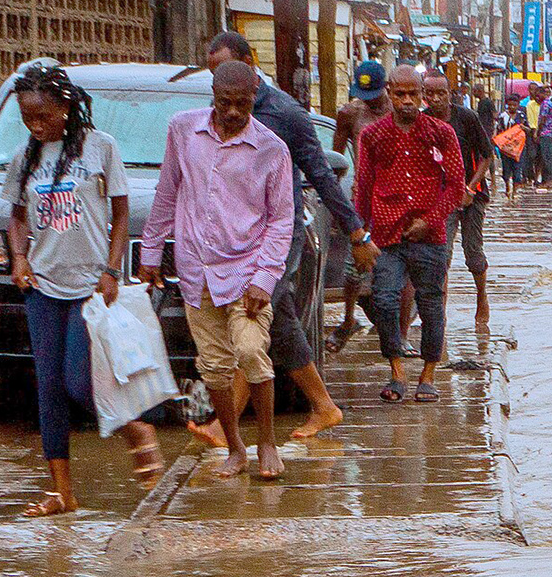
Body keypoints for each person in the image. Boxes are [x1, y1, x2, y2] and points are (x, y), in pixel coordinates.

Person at [193, 32, 381, 445]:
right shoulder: (211, 115)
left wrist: (356, 230)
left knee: (259, 311)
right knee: (277, 323)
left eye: (229, 77)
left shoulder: (284, 114)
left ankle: (227, 426)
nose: (226, 105)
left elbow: (321, 173)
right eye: (216, 85)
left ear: (248, 65)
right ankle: (324, 406)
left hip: (279, 234)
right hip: (232, 238)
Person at [1, 64, 163, 517]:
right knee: (48, 388)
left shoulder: (101, 148)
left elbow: (121, 212)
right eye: (27, 117)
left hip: (90, 286)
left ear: (66, 107)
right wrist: (19, 257)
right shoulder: (25, 156)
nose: (36, 125)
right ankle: (62, 492)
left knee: (78, 381)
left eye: (44, 116)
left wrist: (112, 269)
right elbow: (15, 216)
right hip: (43, 288)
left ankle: (136, 429)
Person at [141, 61, 292, 481]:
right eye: (224, 102)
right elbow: (167, 191)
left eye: (241, 104)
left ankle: (266, 442)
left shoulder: (271, 148)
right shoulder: (183, 130)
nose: (232, 112)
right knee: (214, 366)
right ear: (212, 95)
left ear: (254, 99)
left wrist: (265, 277)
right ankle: (235, 446)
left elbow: (281, 221)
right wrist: (151, 250)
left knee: (250, 351)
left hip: (247, 273)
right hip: (196, 269)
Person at [354, 66, 463, 403]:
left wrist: (431, 220)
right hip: (387, 235)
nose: (407, 101)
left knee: (431, 304)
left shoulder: (441, 133)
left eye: (413, 94)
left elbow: (456, 185)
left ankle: (428, 375)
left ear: (422, 95)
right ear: (389, 92)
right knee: (384, 300)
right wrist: (360, 233)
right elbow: (364, 186)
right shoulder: (372, 136)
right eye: (399, 94)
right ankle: (397, 371)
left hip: (429, 237)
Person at [329, 60, 394, 353]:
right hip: (363, 198)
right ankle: (348, 319)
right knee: (353, 267)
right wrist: (335, 203)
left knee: (393, 263)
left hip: (395, 198)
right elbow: (335, 159)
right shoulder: (349, 114)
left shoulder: (399, 110)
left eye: (375, 96)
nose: (369, 102)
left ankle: (395, 330)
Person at [425, 71, 494, 327]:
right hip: (442, 197)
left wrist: (470, 187)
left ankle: (481, 296)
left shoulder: (467, 117)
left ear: (450, 93)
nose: (435, 99)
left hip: (471, 195)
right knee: (442, 254)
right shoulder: (423, 122)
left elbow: (487, 155)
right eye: (429, 93)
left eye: (440, 93)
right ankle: (439, 313)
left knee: (473, 252)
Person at [538, 83, 552, 187]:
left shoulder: (546, 104)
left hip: (546, 134)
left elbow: (542, 119)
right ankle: (547, 180)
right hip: (549, 133)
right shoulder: (548, 103)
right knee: (547, 157)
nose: (537, 97)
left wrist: (538, 132)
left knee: (547, 158)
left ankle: (549, 181)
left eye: (538, 95)